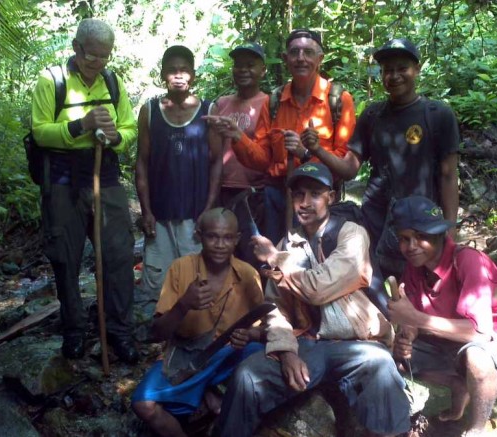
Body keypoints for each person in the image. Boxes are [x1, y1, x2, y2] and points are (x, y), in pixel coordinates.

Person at [217, 162, 411, 437]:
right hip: (308, 343)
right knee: (247, 376)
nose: (304, 203)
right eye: (298, 195)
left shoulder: (352, 234)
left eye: (315, 194)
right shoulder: (289, 244)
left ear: (331, 197)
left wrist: (275, 258)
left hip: (355, 343)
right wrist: (286, 353)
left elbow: (319, 287)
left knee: (379, 364)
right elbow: (276, 309)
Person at [30, 18, 138, 363]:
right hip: (62, 181)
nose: (99, 64)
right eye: (92, 56)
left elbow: (129, 127)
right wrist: (82, 125)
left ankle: (120, 331)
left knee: (119, 255)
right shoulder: (52, 81)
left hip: (103, 177)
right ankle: (74, 330)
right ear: (77, 48)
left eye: (105, 57)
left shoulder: (112, 81)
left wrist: (116, 137)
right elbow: (39, 132)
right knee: (66, 258)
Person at [386, 195, 497, 436]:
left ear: (439, 235)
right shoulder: (414, 268)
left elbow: (480, 333)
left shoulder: (468, 261)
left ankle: (476, 428)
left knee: (476, 357)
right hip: (446, 345)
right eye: (404, 239)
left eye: (421, 237)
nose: (411, 246)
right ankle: (458, 385)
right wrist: (407, 336)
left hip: (496, 346)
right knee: (390, 354)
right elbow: (412, 318)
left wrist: (416, 319)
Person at [316, 38, 460, 282]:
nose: (394, 76)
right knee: (375, 279)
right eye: (387, 70)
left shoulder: (438, 115)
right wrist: (317, 150)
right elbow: (351, 168)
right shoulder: (373, 114)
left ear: (417, 70)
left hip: (419, 218)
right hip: (376, 217)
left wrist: (450, 228)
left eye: (402, 68)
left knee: (418, 283)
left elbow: (448, 175)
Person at [206, 29, 356, 244]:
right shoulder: (274, 101)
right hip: (277, 195)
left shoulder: (339, 100)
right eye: (294, 52)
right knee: (275, 259)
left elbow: (345, 165)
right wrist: (238, 136)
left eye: (308, 52)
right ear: (286, 59)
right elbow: (262, 160)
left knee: (317, 260)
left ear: (319, 58)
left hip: (319, 197)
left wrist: (309, 152)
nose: (301, 58)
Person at [131, 208, 264, 436]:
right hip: (187, 356)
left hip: (227, 355)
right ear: (199, 235)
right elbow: (158, 333)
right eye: (212, 236)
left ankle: (210, 391)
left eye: (227, 238)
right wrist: (183, 305)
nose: (220, 245)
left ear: (237, 239)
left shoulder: (249, 275)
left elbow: (265, 329)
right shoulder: (181, 268)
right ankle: (203, 394)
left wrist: (250, 335)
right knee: (144, 404)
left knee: (262, 355)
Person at [136, 45, 223, 295]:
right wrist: (146, 211)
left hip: (193, 217)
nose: (178, 75)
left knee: (195, 285)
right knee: (158, 288)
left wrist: (208, 209)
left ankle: (194, 334)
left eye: (184, 70)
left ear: (193, 75)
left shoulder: (208, 111)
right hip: (159, 217)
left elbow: (217, 161)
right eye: (172, 70)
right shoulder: (150, 110)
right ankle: (160, 333)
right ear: (163, 74)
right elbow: (142, 161)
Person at [207, 43, 269, 268]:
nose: (243, 70)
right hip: (223, 190)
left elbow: (267, 151)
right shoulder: (221, 104)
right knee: (221, 256)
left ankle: (255, 301)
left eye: (250, 65)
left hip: (253, 194)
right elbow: (214, 151)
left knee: (252, 256)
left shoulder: (268, 104)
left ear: (263, 70)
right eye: (238, 65)